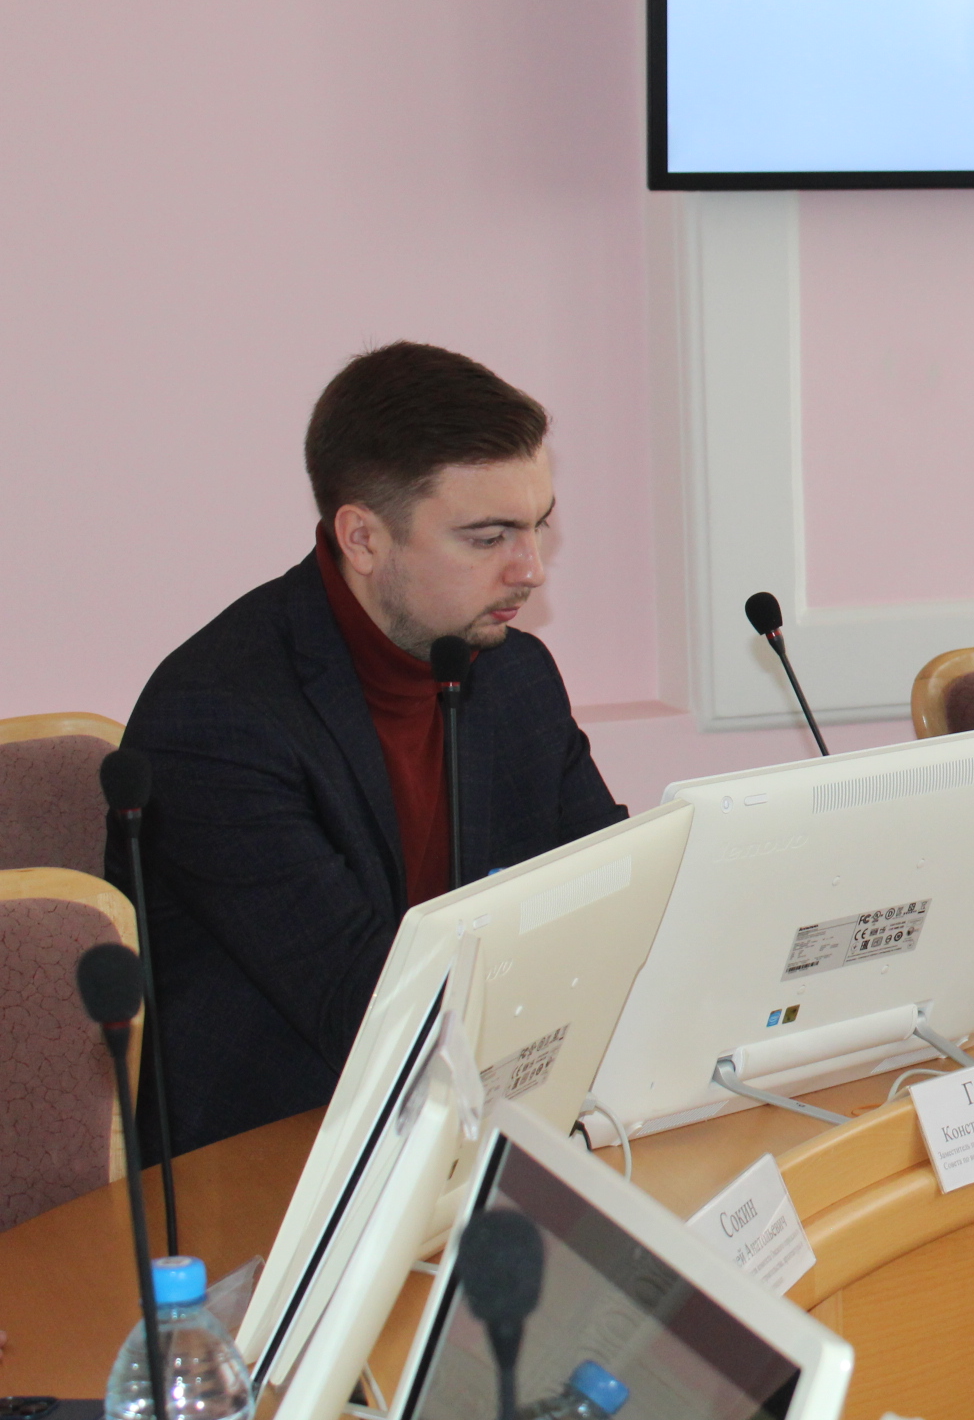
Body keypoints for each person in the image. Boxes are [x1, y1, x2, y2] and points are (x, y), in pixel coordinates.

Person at [118, 343, 624, 1155]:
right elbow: (366, 1005)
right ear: (362, 538)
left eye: (538, 526)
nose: (530, 569)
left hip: (477, 1114)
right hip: (279, 1153)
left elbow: (615, 890)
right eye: (488, 537)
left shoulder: (513, 675)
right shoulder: (216, 719)